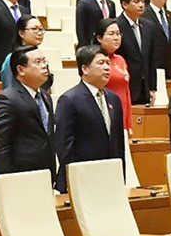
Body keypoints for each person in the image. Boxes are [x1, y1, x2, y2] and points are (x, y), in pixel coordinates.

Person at [54, 44, 127, 184]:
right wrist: (76, 178)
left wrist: (120, 177)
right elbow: (64, 146)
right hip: (82, 179)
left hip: (109, 177)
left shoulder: (113, 98)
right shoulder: (69, 100)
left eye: (108, 63)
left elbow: (118, 144)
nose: (107, 67)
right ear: (85, 69)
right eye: (101, 63)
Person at [0, 45, 58, 186]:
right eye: (38, 62)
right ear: (20, 69)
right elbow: (1, 146)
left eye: (45, 61)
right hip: (21, 176)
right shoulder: (7, 99)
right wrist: (6, 182)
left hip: (46, 173)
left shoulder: (45, 96)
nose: (44, 66)